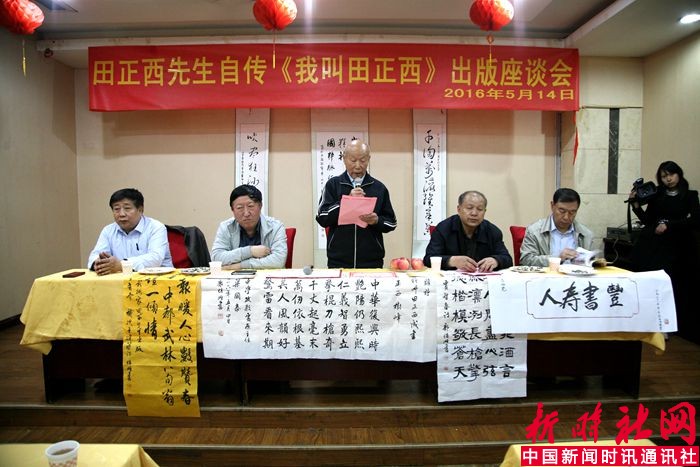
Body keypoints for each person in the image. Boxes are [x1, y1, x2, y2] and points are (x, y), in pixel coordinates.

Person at [629, 161, 699, 343]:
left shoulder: (690, 195)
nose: (668, 179)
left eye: (671, 174)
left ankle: (668, 325)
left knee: (673, 286)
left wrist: (669, 225)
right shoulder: (657, 194)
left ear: (679, 174)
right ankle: (653, 324)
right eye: (664, 176)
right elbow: (648, 219)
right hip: (655, 245)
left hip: (679, 246)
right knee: (654, 284)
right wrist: (635, 204)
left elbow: (694, 220)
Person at [316, 139, 397, 268]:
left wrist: (377, 221)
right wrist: (345, 202)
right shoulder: (333, 185)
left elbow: (391, 222)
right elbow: (322, 217)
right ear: (344, 159)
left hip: (372, 262)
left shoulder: (379, 188)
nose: (358, 166)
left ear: (369, 159)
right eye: (353, 160)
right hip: (338, 261)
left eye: (363, 160)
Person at [87, 188, 173, 275]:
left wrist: (121, 265)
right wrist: (99, 263)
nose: (121, 214)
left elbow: (155, 259)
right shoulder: (108, 230)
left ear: (140, 210)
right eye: (116, 209)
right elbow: (94, 256)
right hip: (121, 280)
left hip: (158, 279)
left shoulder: (156, 227)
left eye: (127, 208)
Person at [424, 191, 512, 272]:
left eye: (480, 209)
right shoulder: (443, 228)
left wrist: (496, 260)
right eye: (469, 208)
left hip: (483, 280)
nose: (474, 213)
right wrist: (452, 260)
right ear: (459, 209)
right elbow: (428, 259)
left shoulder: (492, 231)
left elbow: (507, 259)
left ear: (484, 211)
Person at [211, 184, 287, 269]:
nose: (246, 213)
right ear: (232, 210)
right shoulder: (226, 227)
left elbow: (278, 260)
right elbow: (216, 258)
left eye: (250, 206)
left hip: (267, 277)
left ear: (260, 206)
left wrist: (239, 266)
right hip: (234, 277)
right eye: (240, 208)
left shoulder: (275, 227)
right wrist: (250, 251)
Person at [520, 188, 594, 267]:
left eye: (572, 212)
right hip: (547, 274)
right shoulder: (534, 231)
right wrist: (556, 258)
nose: (566, 217)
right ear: (552, 206)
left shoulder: (586, 235)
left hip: (575, 274)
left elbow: (591, 264)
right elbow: (526, 260)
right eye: (562, 211)